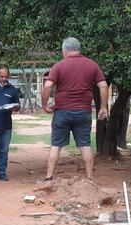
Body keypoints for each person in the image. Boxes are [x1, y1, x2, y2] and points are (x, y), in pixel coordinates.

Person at [42, 37, 109, 182]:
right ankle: (90, 178)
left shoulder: (59, 65)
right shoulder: (92, 65)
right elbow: (103, 85)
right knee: (85, 145)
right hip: (83, 112)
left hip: (62, 112)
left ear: (64, 50)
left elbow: (47, 86)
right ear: (79, 49)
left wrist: (44, 105)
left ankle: (49, 178)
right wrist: (103, 107)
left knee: (56, 145)